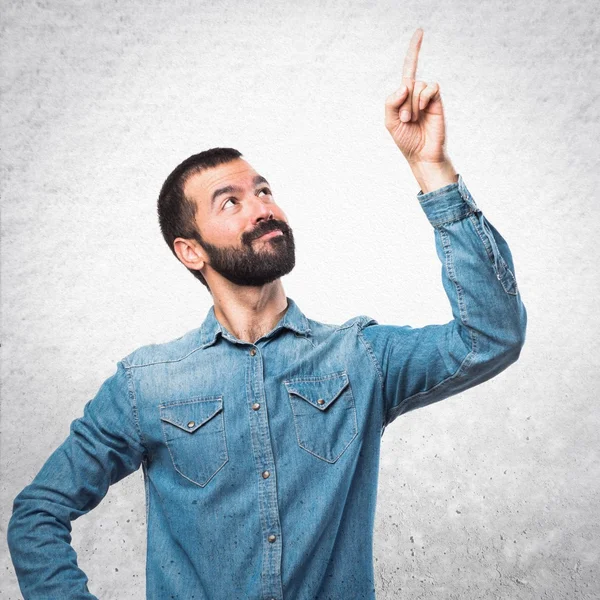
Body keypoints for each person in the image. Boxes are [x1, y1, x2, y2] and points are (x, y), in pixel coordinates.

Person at [7, 28, 527, 600]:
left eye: (264, 190)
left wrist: (431, 166)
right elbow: (38, 514)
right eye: (230, 201)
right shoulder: (146, 385)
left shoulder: (360, 358)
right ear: (191, 250)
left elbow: (492, 336)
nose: (262, 208)